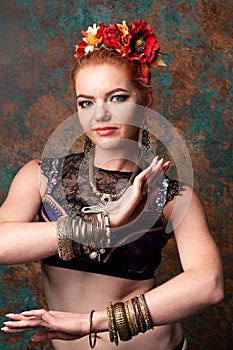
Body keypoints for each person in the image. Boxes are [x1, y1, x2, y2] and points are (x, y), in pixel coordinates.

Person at [0, 20, 224, 350]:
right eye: (86, 102)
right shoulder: (40, 176)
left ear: (145, 99)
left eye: (117, 98)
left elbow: (209, 284)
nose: (99, 115)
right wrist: (99, 226)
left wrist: (89, 323)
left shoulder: (172, 196)